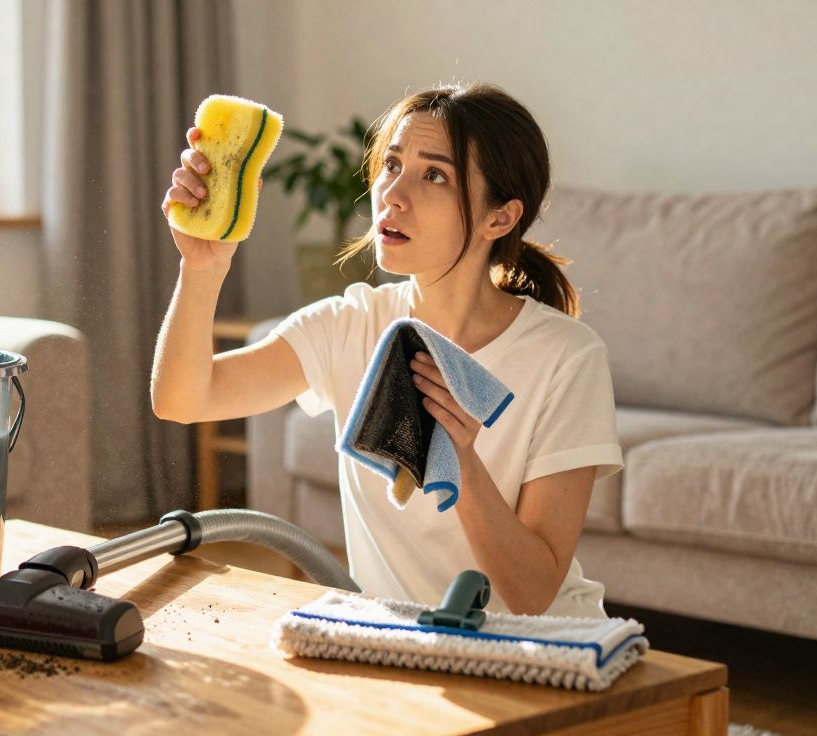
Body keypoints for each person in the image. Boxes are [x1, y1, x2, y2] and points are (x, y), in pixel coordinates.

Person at [152, 83, 623, 618]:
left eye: (435, 175)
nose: (393, 194)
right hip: (403, 649)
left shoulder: (566, 356)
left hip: (546, 652)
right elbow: (183, 401)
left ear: (501, 218)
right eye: (392, 164)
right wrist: (202, 268)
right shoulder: (349, 325)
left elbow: (533, 594)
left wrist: (461, 465)